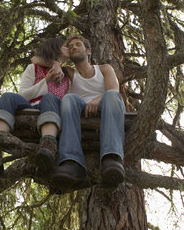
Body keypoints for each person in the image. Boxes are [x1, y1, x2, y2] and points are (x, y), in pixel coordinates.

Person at [0, 38, 69, 177]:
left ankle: (48, 143)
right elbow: (24, 95)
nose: (69, 48)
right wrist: (46, 80)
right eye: (65, 46)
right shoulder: (33, 68)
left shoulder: (68, 75)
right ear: (55, 47)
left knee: (49, 97)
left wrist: (57, 65)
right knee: (8, 96)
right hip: (29, 107)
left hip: (51, 110)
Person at [39, 34, 125, 189]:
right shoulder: (70, 72)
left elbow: (113, 89)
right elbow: (37, 60)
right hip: (79, 110)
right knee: (69, 98)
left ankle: (111, 158)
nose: (73, 47)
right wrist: (57, 63)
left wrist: (96, 101)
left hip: (106, 107)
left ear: (89, 51)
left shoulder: (105, 69)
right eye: (70, 46)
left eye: (78, 44)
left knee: (112, 95)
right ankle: (72, 162)